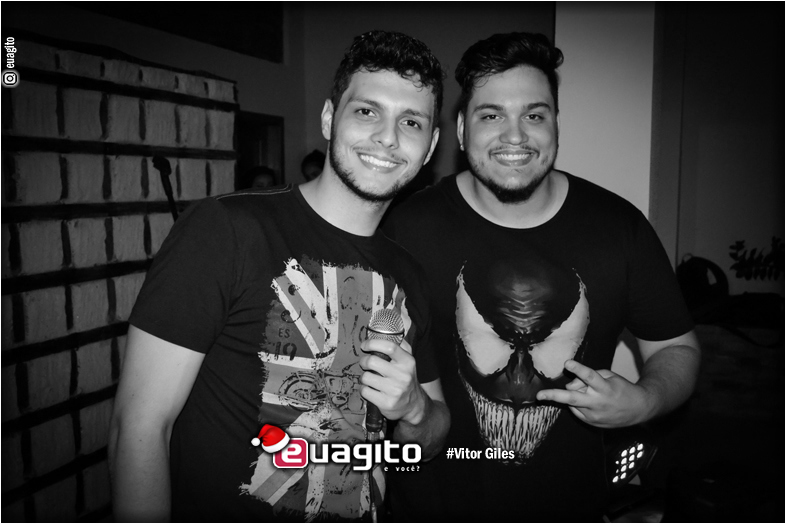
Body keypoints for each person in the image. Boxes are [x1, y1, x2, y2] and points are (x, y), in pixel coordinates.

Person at [109, 29, 449, 522]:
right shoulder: (225, 229)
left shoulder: (409, 275)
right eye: (367, 111)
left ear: (431, 145)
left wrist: (415, 408)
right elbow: (138, 427)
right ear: (329, 118)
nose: (388, 137)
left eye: (411, 122)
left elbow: (433, 436)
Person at [383, 32, 700, 522]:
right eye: (492, 116)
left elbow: (677, 348)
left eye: (534, 115)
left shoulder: (619, 228)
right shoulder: (405, 229)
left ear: (555, 125)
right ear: (462, 130)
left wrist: (644, 402)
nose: (515, 136)